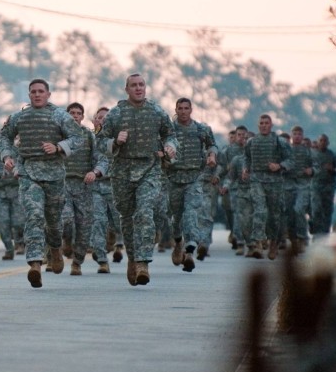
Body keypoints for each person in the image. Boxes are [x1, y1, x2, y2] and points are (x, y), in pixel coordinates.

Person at [0, 78, 84, 288]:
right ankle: (35, 263)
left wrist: (58, 147)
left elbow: (78, 137)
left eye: (40, 91)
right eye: (33, 92)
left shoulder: (59, 116)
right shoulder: (19, 117)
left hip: (54, 175)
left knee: (54, 222)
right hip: (29, 173)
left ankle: (55, 248)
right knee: (34, 215)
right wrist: (7, 156)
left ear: (48, 94)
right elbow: (4, 136)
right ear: (29, 95)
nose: (37, 95)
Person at [96, 73, 177, 286]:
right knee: (126, 216)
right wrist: (115, 141)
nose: (139, 88)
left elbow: (171, 134)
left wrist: (170, 147)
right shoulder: (115, 114)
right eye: (134, 85)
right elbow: (100, 141)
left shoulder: (157, 112)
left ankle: (143, 262)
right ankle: (132, 257)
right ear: (127, 89)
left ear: (146, 87)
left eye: (141, 85)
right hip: (122, 171)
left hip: (149, 169)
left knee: (144, 212)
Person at [166, 98, 218, 272]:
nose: (182, 111)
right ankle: (178, 242)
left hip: (194, 178)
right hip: (173, 179)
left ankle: (189, 251)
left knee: (191, 213)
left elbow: (212, 145)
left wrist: (211, 156)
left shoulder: (201, 129)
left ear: (191, 109)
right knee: (176, 217)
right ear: (176, 109)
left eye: (186, 108)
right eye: (179, 108)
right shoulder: (169, 129)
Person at [59, 102, 107, 275]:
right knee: (66, 219)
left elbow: (101, 158)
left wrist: (95, 172)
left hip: (83, 187)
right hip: (62, 185)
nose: (75, 116)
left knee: (84, 228)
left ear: (82, 116)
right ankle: (64, 241)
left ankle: (77, 261)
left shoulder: (89, 137)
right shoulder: (58, 135)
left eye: (78, 113)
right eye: (71, 113)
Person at [242, 114, 292, 260]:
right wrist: (246, 169)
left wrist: (279, 166)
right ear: (258, 126)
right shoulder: (252, 142)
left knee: (274, 216)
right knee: (259, 210)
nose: (264, 125)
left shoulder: (279, 141)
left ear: (271, 125)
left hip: (274, 182)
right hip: (257, 180)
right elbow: (246, 157)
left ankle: (273, 243)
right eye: (261, 123)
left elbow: (291, 160)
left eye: (266, 123)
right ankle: (258, 242)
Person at [90, 107, 124, 266]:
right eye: (98, 117)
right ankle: (102, 258)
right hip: (95, 187)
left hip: (115, 186)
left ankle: (119, 243)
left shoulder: (119, 139)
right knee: (98, 221)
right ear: (93, 120)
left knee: (118, 222)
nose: (101, 120)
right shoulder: (89, 139)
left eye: (105, 117)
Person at [219, 125, 249, 255]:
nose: (241, 137)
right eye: (239, 135)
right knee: (236, 214)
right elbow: (221, 167)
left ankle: (251, 241)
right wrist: (221, 183)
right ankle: (239, 240)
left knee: (249, 216)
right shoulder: (228, 151)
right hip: (234, 187)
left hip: (252, 187)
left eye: (244, 135)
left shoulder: (251, 149)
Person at [311, 134, 336, 236]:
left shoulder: (332, 155)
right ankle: (316, 233)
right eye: (320, 140)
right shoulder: (311, 154)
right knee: (316, 209)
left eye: (324, 141)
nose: (322, 143)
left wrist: (334, 170)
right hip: (315, 186)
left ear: (328, 143)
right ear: (317, 142)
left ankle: (324, 234)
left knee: (327, 211)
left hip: (328, 187)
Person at [287, 126, 313, 252]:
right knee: (290, 214)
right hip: (289, 186)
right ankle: (293, 239)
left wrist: (311, 170)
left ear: (302, 136)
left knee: (299, 209)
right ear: (291, 136)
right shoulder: (286, 151)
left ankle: (302, 237)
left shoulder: (308, 151)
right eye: (295, 134)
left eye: (299, 134)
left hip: (303, 185)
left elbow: (317, 166)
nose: (297, 136)